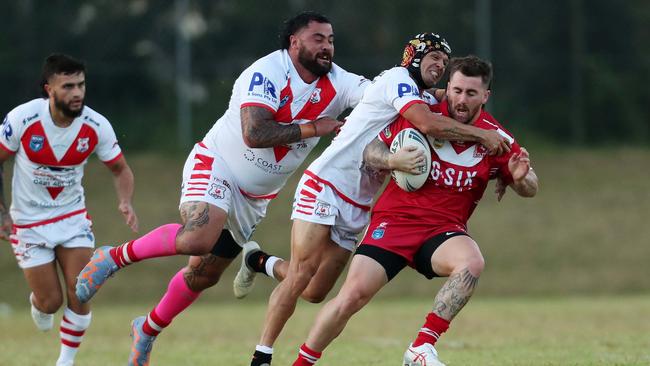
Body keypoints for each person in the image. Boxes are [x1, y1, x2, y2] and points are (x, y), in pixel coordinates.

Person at [74, 11, 369, 365]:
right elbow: (255, 134)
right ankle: (113, 256)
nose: (327, 47)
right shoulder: (267, 73)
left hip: (255, 198)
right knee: (198, 237)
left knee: (203, 276)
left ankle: (147, 329)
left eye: (331, 40)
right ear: (294, 42)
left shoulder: (340, 82)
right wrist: (313, 129)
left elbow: (381, 95)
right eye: (318, 39)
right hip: (218, 165)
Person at [245, 33, 512, 366]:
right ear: (413, 56)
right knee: (301, 273)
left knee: (315, 291)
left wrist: (503, 161)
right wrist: (484, 135)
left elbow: (453, 99)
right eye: (433, 59)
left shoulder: (421, 93)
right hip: (328, 182)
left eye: (444, 63)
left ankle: (259, 262)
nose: (439, 66)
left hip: (359, 202)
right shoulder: (399, 81)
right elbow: (429, 123)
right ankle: (262, 356)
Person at [0, 53, 138, 366]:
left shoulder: (96, 125)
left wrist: (125, 201)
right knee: (51, 303)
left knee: (82, 290)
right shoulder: (23, 119)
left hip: (72, 218)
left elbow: (120, 169)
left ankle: (66, 361)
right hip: (28, 223)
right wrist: (2, 213)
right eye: (68, 86)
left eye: (81, 85)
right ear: (49, 89)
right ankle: (38, 304)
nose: (77, 93)